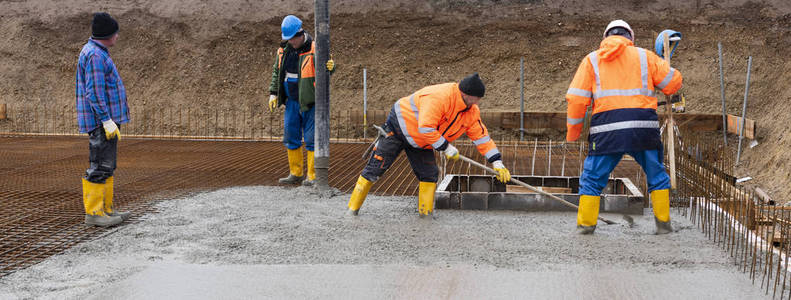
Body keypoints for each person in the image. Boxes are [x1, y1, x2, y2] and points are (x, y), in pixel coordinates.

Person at [565, 20, 682, 234]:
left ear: (605, 37)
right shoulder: (645, 57)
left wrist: (573, 133)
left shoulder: (591, 60)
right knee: (656, 174)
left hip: (607, 132)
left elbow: (576, 100)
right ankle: (663, 225)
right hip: (642, 128)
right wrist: (665, 63)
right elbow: (672, 85)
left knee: (592, 178)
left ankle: (585, 228)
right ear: (631, 38)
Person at [347, 73, 512, 217]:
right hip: (399, 128)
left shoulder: (471, 111)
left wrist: (497, 162)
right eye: (478, 99)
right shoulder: (440, 97)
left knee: (429, 174)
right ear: (467, 94)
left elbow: (481, 137)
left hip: (423, 140)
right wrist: (446, 147)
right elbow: (426, 127)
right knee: (376, 168)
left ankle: (425, 215)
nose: (479, 102)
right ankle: (352, 210)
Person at [75, 12, 131, 227]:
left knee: (107, 165)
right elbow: (95, 92)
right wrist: (106, 120)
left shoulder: (98, 52)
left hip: (106, 120)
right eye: (115, 33)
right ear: (107, 34)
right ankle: (94, 213)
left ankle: (105, 209)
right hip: (101, 122)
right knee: (99, 165)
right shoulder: (96, 56)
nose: (117, 36)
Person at [267, 15, 334, 186]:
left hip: (310, 102)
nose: (291, 42)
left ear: (300, 34)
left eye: (292, 39)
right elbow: (277, 71)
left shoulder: (315, 48)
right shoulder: (283, 50)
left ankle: (312, 175)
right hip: (291, 101)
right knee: (291, 134)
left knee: (311, 138)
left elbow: (328, 68)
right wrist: (273, 93)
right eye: (288, 39)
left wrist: (331, 67)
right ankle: (295, 173)